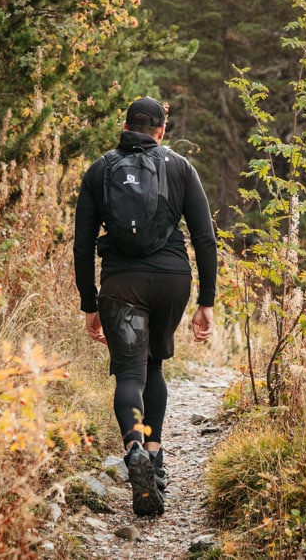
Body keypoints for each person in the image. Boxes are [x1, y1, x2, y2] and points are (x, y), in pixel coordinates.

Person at [73, 96, 217, 517]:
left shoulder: (100, 169)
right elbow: (205, 239)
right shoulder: (180, 167)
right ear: (160, 130)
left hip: (121, 283)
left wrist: (89, 302)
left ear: (126, 125)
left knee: (130, 372)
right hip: (172, 279)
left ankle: (133, 445)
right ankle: (153, 460)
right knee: (154, 367)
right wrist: (206, 302)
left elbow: (83, 245)